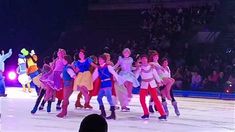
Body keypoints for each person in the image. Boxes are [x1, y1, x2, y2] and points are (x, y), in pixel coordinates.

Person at [135, 54, 166, 120]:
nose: (144, 60)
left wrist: (159, 81)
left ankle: (163, 114)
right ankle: (146, 113)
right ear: (141, 60)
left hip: (152, 84)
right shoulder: (140, 68)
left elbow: (156, 75)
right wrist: (136, 70)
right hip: (144, 85)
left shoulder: (151, 67)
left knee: (156, 99)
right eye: (142, 59)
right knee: (142, 99)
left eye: (145, 58)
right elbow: (136, 76)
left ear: (147, 59)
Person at [92, 55, 123, 120]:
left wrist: (119, 80)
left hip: (108, 84)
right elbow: (93, 77)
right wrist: (89, 83)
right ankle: (103, 112)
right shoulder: (98, 68)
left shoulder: (108, 67)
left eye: (101, 59)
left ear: (104, 60)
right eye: (99, 59)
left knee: (109, 98)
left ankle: (113, 114)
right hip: (102, 85)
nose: (99, 61)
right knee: (99, 98)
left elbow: (114, 74)